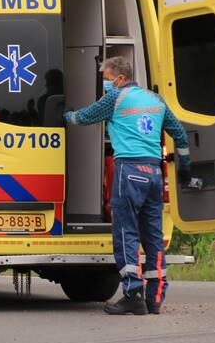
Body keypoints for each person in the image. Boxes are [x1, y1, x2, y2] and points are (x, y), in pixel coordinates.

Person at [64, 56, 192, 315]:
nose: (106, 85)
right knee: (153, 236)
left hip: (129, 171)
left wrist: (62, 115)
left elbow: (84, 117)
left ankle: (133, 294)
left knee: (126, 234)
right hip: (153, 172)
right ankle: (155, 298)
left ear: (120, 78)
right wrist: (185, 168)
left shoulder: (116, 98)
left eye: (108, 80)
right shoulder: (155, 100)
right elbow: (179, 133)